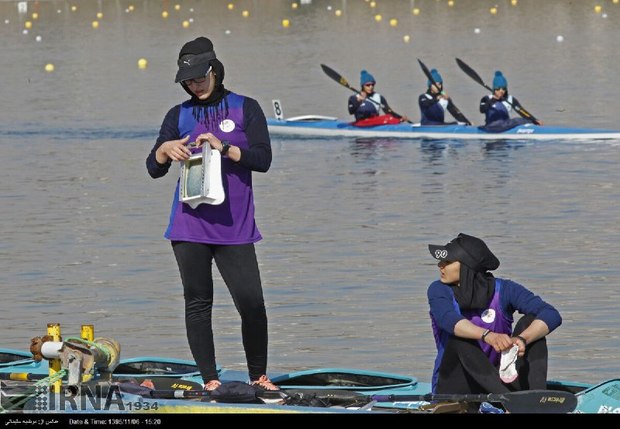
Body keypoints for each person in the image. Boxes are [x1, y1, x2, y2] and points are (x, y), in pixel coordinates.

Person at [145, 36, 277, 392]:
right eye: (188, 80)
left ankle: (259, 377)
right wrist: (163, 151)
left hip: (235, 227)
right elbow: (153, 169)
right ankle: (210, 380)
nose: (194, 84)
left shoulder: (245, 108)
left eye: (200, 77)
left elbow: (263, 160)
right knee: (198, 302)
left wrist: (227, 148)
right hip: (189, 226)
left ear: (215, 70)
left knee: (251, 302)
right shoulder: (178, 115)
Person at [426, 233, 562, 397]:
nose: (440, 265)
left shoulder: (505, 289)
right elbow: (448, 319)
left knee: (531, 322)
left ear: (466, 266)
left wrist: (522, 339)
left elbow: (551, 314)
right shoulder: (438, 290)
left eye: (447, 262)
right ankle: (508, 400)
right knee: (460, 339)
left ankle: (535, 397)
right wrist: (488, 335)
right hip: (456, 386)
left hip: (499, 379)